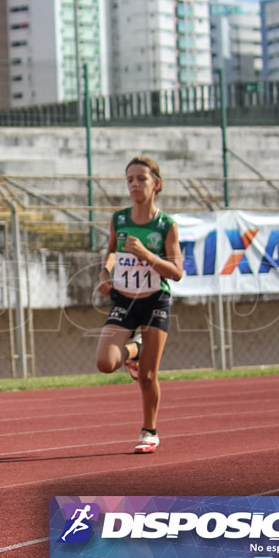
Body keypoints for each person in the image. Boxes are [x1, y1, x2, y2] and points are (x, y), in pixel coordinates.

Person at [95, 156, 183, 454]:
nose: (134, 184)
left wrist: (147, 254)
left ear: (156, 184)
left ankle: (149, 431)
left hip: (155, 300)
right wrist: (105, 273)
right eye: (130, 179)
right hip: (125, 298)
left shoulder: (166, 225)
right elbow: (110, 252)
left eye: (141, 179)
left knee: (147, 375)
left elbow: (177, 272)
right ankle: (137, 347)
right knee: (106, 363)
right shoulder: (119, 219)